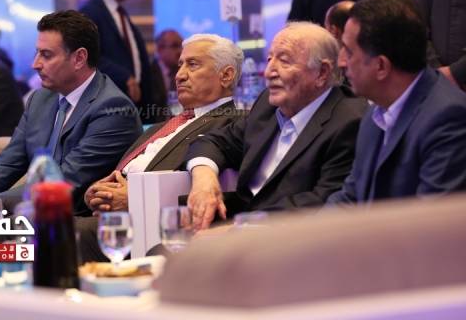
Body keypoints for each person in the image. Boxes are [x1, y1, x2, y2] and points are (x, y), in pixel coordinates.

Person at [0, 10, 143, 221]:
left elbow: (63, 183)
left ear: (79, 58)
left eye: (46, 55)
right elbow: (6, 166)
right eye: (37, 53)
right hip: (28, 216)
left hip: (76, 224)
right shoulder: (41, 99)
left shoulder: (112, 109)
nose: (35, 64)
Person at [78, 33, 244, 262]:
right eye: (180, 65)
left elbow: (221, 192)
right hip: (111, 219)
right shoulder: (160, 127)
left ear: (226, 75)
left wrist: (137, 199)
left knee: (56, 230)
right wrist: (98, 193)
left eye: (192, 64)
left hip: (155, 228)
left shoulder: (233, 125)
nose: (179, 75)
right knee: (42, 223)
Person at [185, 22, 367, 230]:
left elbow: (323, 202)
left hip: (290, 238)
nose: (269, 72)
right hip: (236, 228)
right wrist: (204, 178)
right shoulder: (269, 106)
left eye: (284, 61)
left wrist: (239, 229)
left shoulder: (349, 121)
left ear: (322, 73)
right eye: (270, 59)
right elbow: (215, 141)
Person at [327, 0, 466, 205]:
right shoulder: (376, 110)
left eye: (348, 51)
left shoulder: (450, 119)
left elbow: (431, 219)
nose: (341, 61)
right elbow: (350, 196)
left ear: (381, 66)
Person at [80, 0, 155, 122]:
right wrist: (125, 77)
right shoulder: (89, 13)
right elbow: (88, 57)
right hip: (111, 111)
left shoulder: (119, 12)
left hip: (134, 108)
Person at [151, 29, 184, 121]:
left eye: (182, 46)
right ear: (160, 49)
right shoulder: (147, 74)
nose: (180, 51)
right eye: (175, 46)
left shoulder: (184, 72)